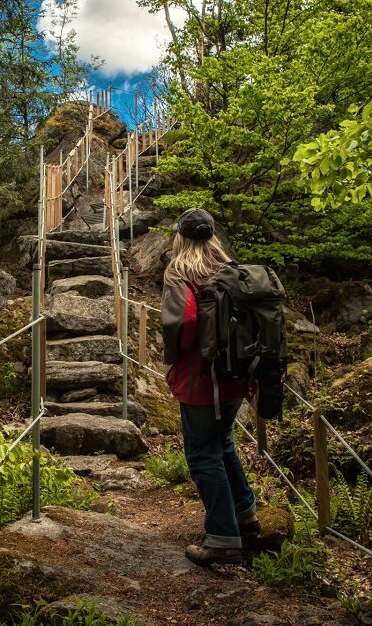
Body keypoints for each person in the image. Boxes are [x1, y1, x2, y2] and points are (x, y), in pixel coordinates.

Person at [161, 208, 260, 567]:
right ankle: (246, 516)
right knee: (223, 444)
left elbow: (184, 322)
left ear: (181, 238)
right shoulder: (231, 269)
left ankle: (222, 537)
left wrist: (172, 355)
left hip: (203, 379)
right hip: (237, 377)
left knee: (203, 454)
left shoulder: (180, 273)